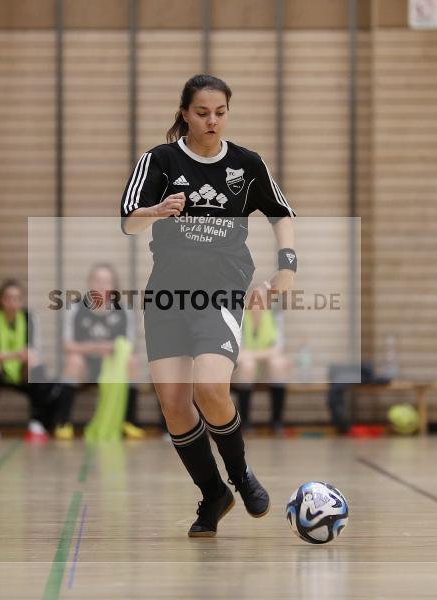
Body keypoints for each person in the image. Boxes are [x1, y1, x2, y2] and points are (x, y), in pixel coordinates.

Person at [120, 74, 296, 536]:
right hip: (166, 296)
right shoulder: (158, 161)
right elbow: (128, 223)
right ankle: (213, 494)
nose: (211, 120)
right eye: (202, 112)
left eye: (220, 112)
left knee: (211, 388)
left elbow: (281, 214)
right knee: (175, 405)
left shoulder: (246, 163)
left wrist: (287, 269)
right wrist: (156, 212)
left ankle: (240, 477)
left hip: (220, 289)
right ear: (184, 113)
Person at [50, 263, 144, 440]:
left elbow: (130, 345)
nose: (102, 285)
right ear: (89, 283)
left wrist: (111, 348)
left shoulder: (124, 310)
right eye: (97, 280)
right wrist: (95, 347)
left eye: (107, 281)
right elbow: (67, 345)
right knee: (73, 361)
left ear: (113, 285)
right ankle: (63, 422)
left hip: (112, 363)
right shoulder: (75, 308)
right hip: (87, 363)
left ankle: (129, 421)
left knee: (132, 361)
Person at [0, 279, 51, 443]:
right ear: (0, 299)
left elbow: (34, 349)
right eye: (8, 298)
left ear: (22, 301)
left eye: (16, 298)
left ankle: (36, 421)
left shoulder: (30, 318)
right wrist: (13, 355)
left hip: (21, 368)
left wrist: (25, 357)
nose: (12, 302)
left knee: (35, 365)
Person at [233, 305, 290, 435]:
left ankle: (277, 422)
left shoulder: (274, 317)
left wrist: (254, 354)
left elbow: (278, 349)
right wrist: (262, 354)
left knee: (278, 364)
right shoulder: (240, 318)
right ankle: (245, 423)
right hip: (245, 368)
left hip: (266, 366)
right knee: (248, 365)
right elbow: (239, 353)